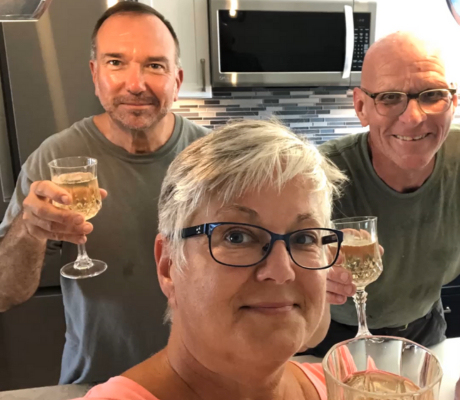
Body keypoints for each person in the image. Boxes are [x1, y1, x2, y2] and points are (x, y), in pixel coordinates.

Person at [0, 3, 208, 384]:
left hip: (201, 384)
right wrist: (29, 230)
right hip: (94, 385)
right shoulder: (52, 159)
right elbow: (4, 292)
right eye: (116, 62)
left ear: (176, 80)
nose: (135, 83)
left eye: (155, 65)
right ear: (95, 75)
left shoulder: (213, 158)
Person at [71, 119, 346, 400]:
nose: (281, 271)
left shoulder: (356, 386)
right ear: (168, 266)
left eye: (303, 239)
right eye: (236, 237)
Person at [320, 32, 460, 400]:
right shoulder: (320, 173)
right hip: (331, 340)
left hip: (424, 336)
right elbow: (279, 272)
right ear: (361, 107)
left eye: (432, 95)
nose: (413, 117)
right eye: (389, 98)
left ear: (453, 102)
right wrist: (310, 277)